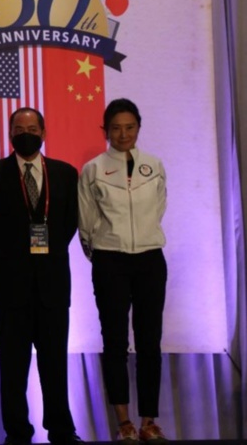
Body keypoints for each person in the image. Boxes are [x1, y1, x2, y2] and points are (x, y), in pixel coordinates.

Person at [0, 108, 81, 444]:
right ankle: (17, 432)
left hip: (52, 285)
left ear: (44, 133)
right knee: (13, 368)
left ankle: (61, 430)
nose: (26, 133)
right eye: (19, 128)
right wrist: (12, 257)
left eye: (32, 128)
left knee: (55, 364)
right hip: (8, 287)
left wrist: (44, 254)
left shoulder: (65, 173)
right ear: (9, 134)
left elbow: (68, 223)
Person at [78, 98, 168, 444]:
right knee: (114, 341)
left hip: (150, 260)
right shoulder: (93, 169)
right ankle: (124, 422)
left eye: (129, 127)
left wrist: (143, 239)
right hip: (110, 261)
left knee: (150, 341)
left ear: (138, 128)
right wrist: (102, 252)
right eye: (116, 127)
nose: (123, 133)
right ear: (105, 131)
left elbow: (159, 208)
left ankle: (149, 421)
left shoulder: (154, 165)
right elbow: (86, 223)